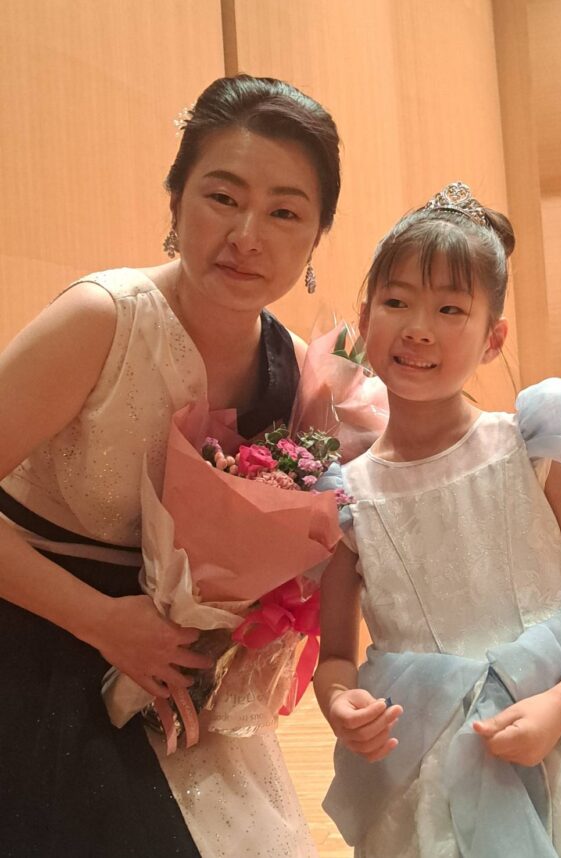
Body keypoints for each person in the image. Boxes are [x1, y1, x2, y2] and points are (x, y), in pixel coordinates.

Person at [0, 74, 340, 857]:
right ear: (175, 201)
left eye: (284, 212)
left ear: (315, 239)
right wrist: (102, 623)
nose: (247, 235)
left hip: (165, 675)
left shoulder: (295, 369)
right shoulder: (102, 321)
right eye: (222, 197)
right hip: (26, 644)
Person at [314, 182, 561, 857]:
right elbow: (337, 656)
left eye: (450, 309)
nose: (418, 327)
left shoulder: (532, 447)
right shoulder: (346, 494)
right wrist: (340, 703)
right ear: (365, 317)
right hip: (428, 763)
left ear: (494, 339)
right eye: (397, 301)